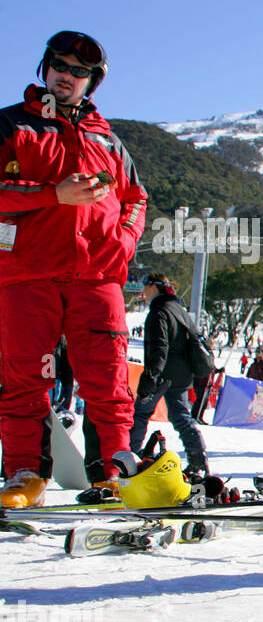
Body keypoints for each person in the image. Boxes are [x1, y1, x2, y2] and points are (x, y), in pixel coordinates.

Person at [0, 31, 147, 507]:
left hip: (97, 277)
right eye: (59, 66)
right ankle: (26, 476)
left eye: (79, 71)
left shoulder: (108, 139)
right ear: (44, 68)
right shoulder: (10, 126)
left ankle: (112, 473)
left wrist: (121, 244)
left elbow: (135, 200)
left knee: (107, 378)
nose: (67, 76)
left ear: (92, 81)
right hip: (25, 274)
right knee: (24, 378)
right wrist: (52, 195)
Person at [128, 273, 208, 480]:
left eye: (145, 286)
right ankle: (198, 459)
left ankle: (130, 458)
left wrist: (150, 377)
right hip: (181, 375)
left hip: (162, 373)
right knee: (180, 417)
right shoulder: (178, 309)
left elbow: (158, 348)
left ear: (154, 287)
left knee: (140, 413)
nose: (142, 291)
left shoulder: (159, 312)